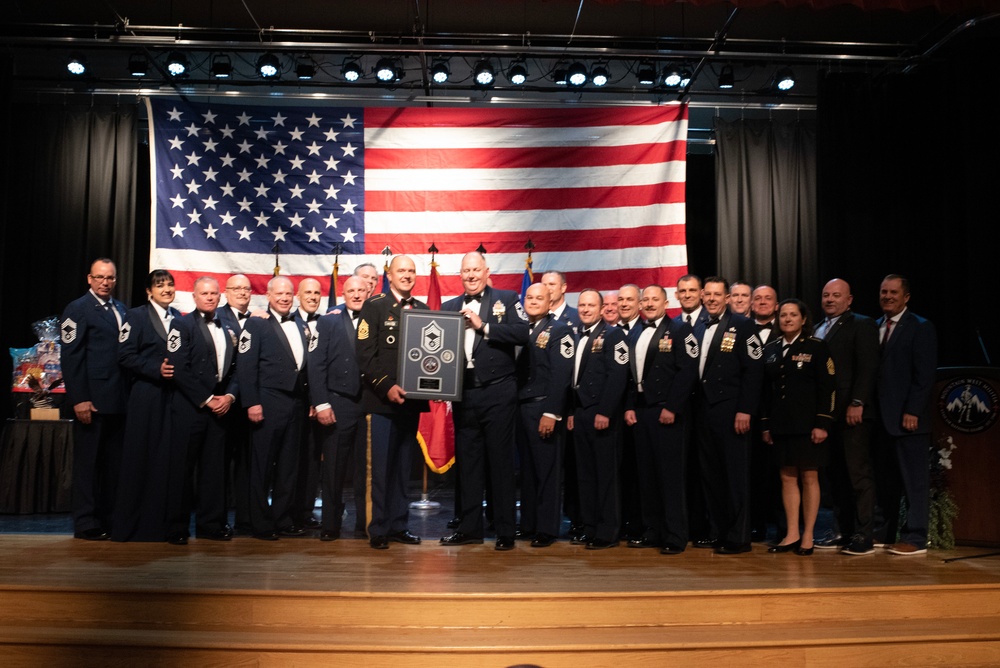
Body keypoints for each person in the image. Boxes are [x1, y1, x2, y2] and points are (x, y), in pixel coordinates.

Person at [440, 251, 529, 551]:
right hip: (464, 395)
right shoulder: (448, 306)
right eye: (466, 271)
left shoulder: (507, 297)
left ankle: (505, 531)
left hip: (498, 393)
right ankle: (469, 529)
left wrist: (484, 326)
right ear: (460, 274)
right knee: (468, 465)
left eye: (476, 270)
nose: (471, 275)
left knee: (501, 463)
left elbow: (523, 332)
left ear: (486, 271)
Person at [355, 255, 427, 549]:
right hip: (381, 402)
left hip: (410, 403)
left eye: (411, 271)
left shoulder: (423, 310)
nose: (407, 275)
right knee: (381, 469)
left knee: (402, 468)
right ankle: (379, 528)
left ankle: (399, 524)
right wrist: (387, 387)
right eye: (402, 271)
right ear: (389, 274)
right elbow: (364, 354)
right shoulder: (374, 306)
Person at [624, 285, 698, 555]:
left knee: (670, 476)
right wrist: (630, 406)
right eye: (646, 299)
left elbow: (687, 370)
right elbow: (631, 375)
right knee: (647, 475)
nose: (650, 303)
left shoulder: (680, 330)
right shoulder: (636, 332)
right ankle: (652, 530)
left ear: (667, 302)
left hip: (667, 412)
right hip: (641, 412)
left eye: (655, 299)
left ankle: (675, 535)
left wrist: (673, 407)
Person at [692, 277, 764, 554]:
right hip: (702, 411)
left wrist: (745, 409)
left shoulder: (743, 325)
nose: (711, 299)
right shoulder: (697, 326)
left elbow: (754, 369)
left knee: (734, 476)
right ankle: (719, 531)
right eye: (707, 294)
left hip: (731, 410)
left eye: (717, 295)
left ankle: (738, 537)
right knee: (711, 476)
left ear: (727, 298)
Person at [60, 258, 129, 541]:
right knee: (88, 465)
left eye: (110, 278)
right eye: (100, 277)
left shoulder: (121, 309)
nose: (105, 282)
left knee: (114, 466)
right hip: (92, 401)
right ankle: (86, 522)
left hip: (119, 400)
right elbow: (71, 357)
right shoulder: (77, 310)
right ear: (90, 278)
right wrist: (79, 399)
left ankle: (110, 519)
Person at [237, 275, 310, 540]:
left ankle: (282, 518)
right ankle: (260, 523)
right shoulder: (256, 324)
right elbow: (246, 367)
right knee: (262, 466)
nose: (283, 298)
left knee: (289, 467)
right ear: (268, 296)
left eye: (288, 294)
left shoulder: (301, 324)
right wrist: (252, 402)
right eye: (278, 294)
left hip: (296, 404)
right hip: (267, 403)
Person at [166, 276, 238, 544]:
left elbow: (237, 367)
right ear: (194, 297)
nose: (209, 297)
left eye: (213, 293)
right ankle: (176, 528)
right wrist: (207, 399)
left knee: (214, 471)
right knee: (182, 472)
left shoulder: (229, 325)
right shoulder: (181, 324)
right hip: (191, 409)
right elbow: (178, 367)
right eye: (204, 293)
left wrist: (229, 396)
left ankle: (212, 525)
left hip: (221, 410)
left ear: (220, 297)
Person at [761, 298, 836, 557]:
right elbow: (765, 392)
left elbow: (828, 387)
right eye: (783, 315)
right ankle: (791, 533)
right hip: (781, 424)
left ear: (803, 320)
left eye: (793, 315)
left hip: (808, 425)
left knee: (809, 476)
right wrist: (766, 424)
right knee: (786, 477)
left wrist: (822, 422)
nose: (788, 319)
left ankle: (808, 535)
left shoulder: (816, 346)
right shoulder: (770, 348)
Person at [112, 269, 181, 542]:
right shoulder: (136, 316)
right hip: (146, 396)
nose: (166, 289)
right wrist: (155, 368)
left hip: (173, 399)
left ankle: (159, 525)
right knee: (140, 459)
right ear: (149, 291)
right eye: (160, 285)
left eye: (170, 284)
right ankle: (132, 527)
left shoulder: (179, 319)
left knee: (166, 461)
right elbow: (125, 355)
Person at [815, 278, 880, 556]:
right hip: (827, 416)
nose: (830, 300)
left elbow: (867, 367)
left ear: (849, 299)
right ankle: (840, 531)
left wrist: (857, 402)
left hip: (852, 414)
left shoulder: (862, 324)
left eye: (836, 295)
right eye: (826, 295)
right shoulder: (817, 328)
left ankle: (864, 535)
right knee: (835, 476)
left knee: (858, 475)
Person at [874, 274, 937, 556]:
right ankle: (882, 533)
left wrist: (913, 410)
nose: (887, 296)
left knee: (914, 482)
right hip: (881, 420)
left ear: (906, 297)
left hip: (908, 420)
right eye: (884, 292)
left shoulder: (921, 327)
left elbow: (924, 376)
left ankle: (915, 537)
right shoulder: (874, 327)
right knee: (885, 480)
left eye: (893, 292)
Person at [308, 276, 368, 541]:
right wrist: (321, 403)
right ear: (343, 294)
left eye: (361, 290)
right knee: (333, 467)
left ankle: (366, 523)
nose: (356, 295)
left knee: (365, 470)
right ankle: (330, 524)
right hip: (338, 403)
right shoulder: (327, 321)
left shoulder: (378, 319)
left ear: (369, 291)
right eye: (351, 291)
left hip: (369, 404)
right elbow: (316, 364)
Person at [568, 289, 629, 549]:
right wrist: (571, 411)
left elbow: (618, 375)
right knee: (585, 475)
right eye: (582, 305)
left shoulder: (614, 335)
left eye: (591, 305)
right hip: (581, 413)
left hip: (602, 414)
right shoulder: (575, 334)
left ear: (602, 308)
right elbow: (572, 380)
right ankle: (590, 527)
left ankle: (606, 532)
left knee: (606, 476)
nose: (585, 309)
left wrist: (605, 411)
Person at [516, 283, 575, 547]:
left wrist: (552, 412)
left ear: (550, 302)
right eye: (529, 297)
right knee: (527, 471)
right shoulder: (518, 330)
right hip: (521, 408)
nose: (533, 301)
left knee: (547, 472)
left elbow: (561, 376)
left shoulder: (560, 331)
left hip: (543, 408)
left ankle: (547, 529)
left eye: (539, 298)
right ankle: (528, 524)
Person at [216, 274, 253, 534]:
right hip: (221, 404)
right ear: (226, 292)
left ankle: (245, 518)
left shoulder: (257, 320)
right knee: (218, 466)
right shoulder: (216, 316)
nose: (242, 292)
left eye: (246, 289)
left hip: (247, 404)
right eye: (236, 288)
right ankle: (218, 520)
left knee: (247, 466)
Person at [293, 278, 324, 531]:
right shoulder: (286, 320)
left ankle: (305, 511)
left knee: (313, 460)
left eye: (317, 293)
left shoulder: (327, 323)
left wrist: (318, 401)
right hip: (293, 403)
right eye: (308, 293)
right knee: (292, 460)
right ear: (298, 296)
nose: (313, 297)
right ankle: (287, 511)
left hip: (318, 404)